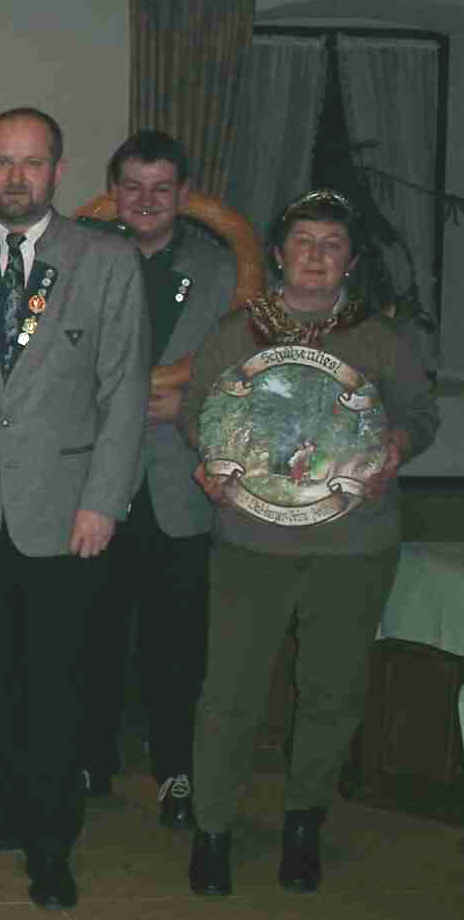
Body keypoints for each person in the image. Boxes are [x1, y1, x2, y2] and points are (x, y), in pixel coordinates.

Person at [0, 107, 149, 910]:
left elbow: (124, 393)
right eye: (2, 162)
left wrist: (104, 501)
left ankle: (51, 839)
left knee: (54, 689)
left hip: (66, 516)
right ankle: (1, 808)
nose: (16, 177)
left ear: (58, 170)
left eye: (32, 162)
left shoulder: (106, 261)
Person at [182, 189, 437, 898]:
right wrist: (211, 461)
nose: (316, 255)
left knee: (332, 693)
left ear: (351, 261)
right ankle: (212, 830)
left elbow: (420, 413)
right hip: (251, 543)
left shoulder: (381, 338)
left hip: (352, 548)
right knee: (228, 694)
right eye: (303, 241)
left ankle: (304, 825)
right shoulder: (237, 332)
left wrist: (398, 442)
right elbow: (200, 412)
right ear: (278, 254)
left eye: (332, 244)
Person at [76, 130, 234, 827]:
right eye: (133, 186)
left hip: (179, 490)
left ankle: (177, 773)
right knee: (93, 638)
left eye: (161, 188)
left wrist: (187, 406)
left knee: (178, 650)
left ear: (184, 195)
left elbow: (244, 373)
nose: (146, 200)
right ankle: (90, 760)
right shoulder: (79, 256)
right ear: (113, 191)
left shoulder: (223, 271)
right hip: (93, 489)